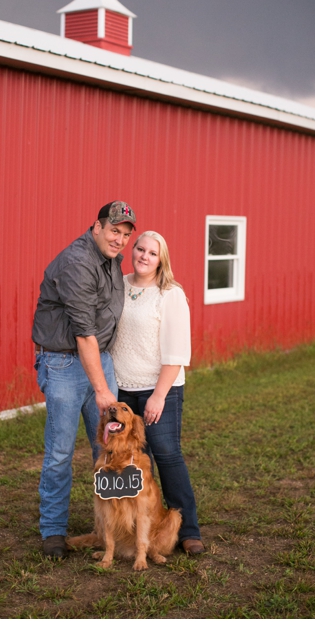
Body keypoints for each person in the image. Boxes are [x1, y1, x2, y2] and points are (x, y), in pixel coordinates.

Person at [31, 201, 137, 558]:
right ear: (97, 226)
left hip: (99, 360)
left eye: (125, 234)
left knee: (110, 449)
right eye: (114, 231)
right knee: (60, 452)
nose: (119, 239)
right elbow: (84, 334)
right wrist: (104, 392)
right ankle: (53, 533)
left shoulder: (111, 261)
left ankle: (110, 530)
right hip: (64, 364)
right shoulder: (77, 263)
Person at [110, 230, 204, 555]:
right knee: (133, 462)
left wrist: (159, 395)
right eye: (140, 249)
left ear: (161, 259)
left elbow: (177, 352)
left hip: (158, 390)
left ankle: (188, 530)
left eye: (152, 252)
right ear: (132, 250)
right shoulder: (118, 285)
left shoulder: (170, 293)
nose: (144, 256)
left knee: (166, 456)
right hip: (122, 392)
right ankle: (139, 530)